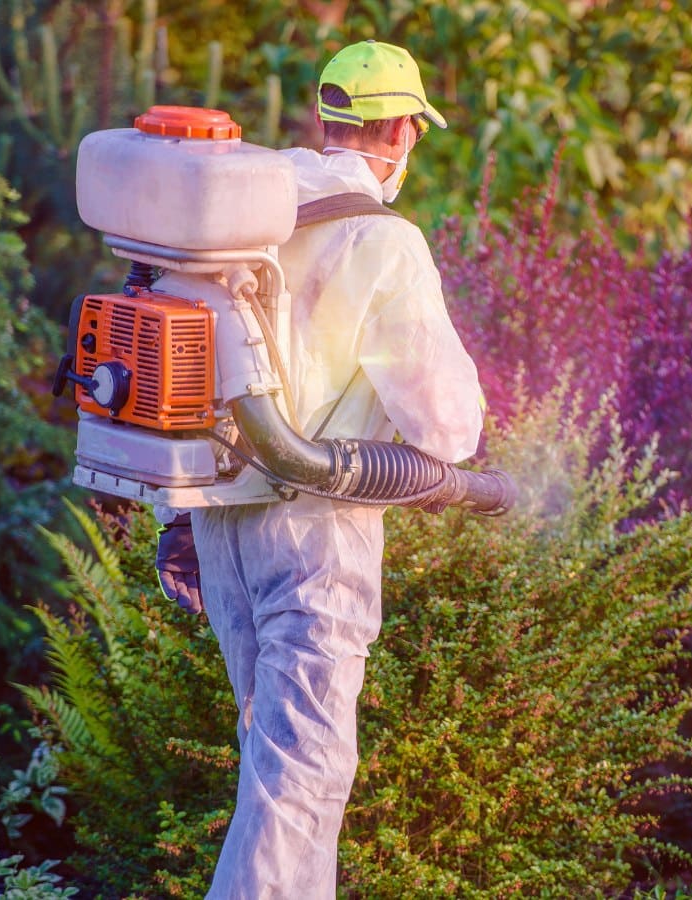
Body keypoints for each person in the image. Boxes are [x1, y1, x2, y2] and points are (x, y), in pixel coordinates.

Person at [153, 39, 485, 899]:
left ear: (322, 119)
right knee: (299, 781)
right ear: (405, 133)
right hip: (314, 528)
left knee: (275, 755)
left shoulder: (236, 212)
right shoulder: (382, 241)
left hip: (214, 521)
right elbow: (446, 427)